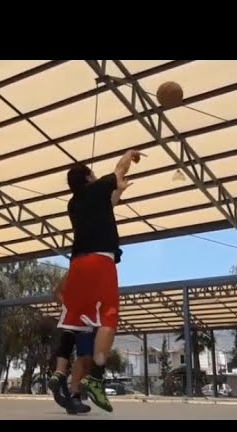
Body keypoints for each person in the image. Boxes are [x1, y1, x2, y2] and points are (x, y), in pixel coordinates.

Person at [58, 149, 141, 413]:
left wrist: (119, 191)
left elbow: (106, 205)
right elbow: (119, 169)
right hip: (99, 261)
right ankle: (94, 379)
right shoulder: (96, 188)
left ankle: (65, 378)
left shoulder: (73, 204)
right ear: (88, 177)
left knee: (75, 322)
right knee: (109, 315)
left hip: (78, 264)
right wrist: (129, 155)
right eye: (92, 173)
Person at [48, 272, 95, 415]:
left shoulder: (103, 274)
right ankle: (69, 387)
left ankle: (72, 393)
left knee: (86, 357)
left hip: (90, 318)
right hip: (77, 315)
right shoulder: (76, 271)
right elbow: (57, 292)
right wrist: (67, 305)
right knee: (79, 350)